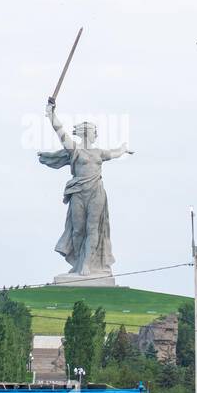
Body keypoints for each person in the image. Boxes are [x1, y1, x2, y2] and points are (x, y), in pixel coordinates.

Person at [38, 101, 133, 277]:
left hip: (96, 192)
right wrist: (51, 115)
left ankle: (87, 264)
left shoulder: (99, 153)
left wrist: (123, 149)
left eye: (94, 131)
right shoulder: (75, 150)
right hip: (78, 192)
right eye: (91, 130)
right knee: (77, 229)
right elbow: (61, 132)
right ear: (86, 132)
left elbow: (115, 153)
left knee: (93, 228)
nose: (94, 133)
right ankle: (78, 262)